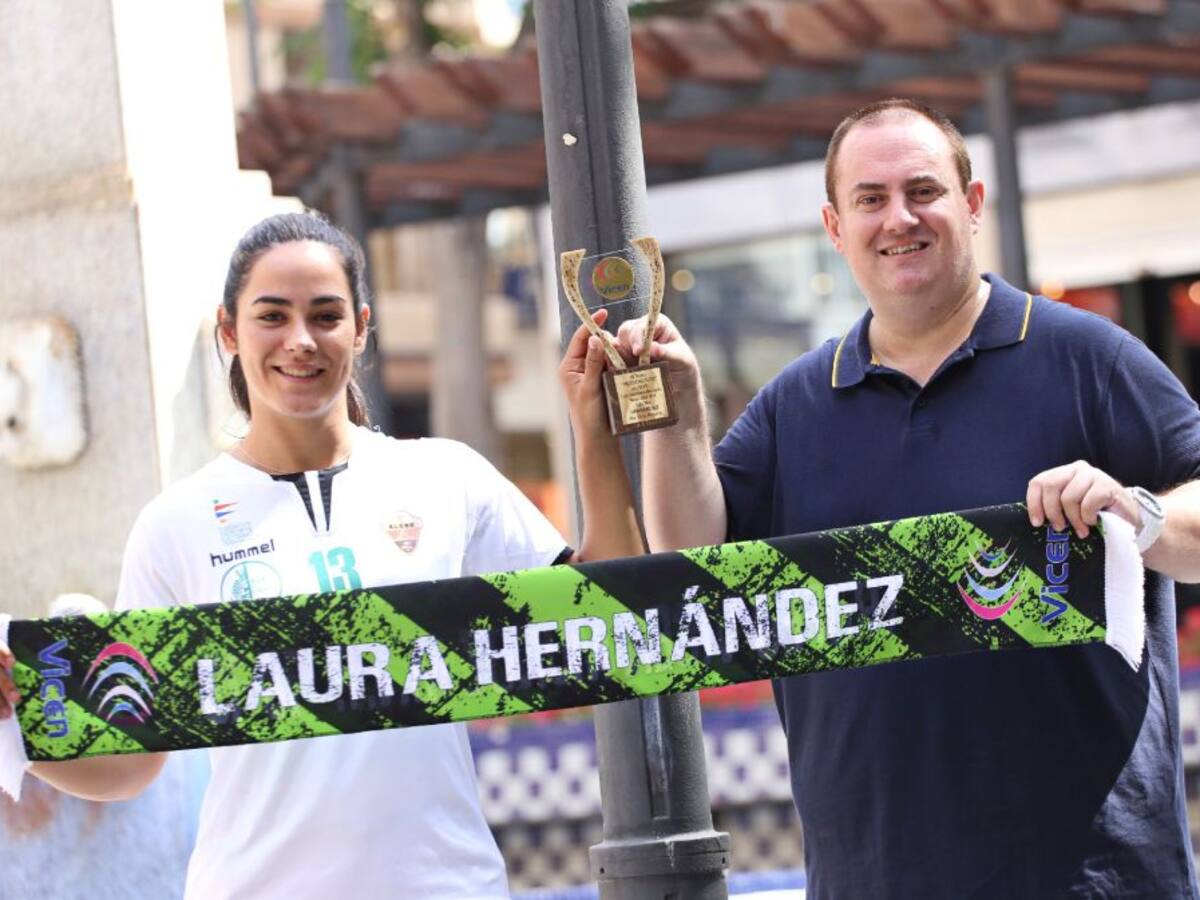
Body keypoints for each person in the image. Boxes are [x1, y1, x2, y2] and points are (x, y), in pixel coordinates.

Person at [611, 99, 1200, 898]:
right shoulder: (796, 403)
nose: (900, 218)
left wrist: (1142, 515)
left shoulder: (1088, 358)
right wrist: (676, 418)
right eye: (870, 198)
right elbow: (692, 562)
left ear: (973, 203)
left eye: (923, 191)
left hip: (1092, 879)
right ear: (834, 225)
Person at [0, 211, 642, 899]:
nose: (300, 340)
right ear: (229, 332)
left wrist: (593, 433)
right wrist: (18, 721)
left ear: (361, 328)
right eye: (272, 316)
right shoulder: (174, 525)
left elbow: (607, 621)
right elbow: (135, 761)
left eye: (325, 315)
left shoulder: (447, 476)